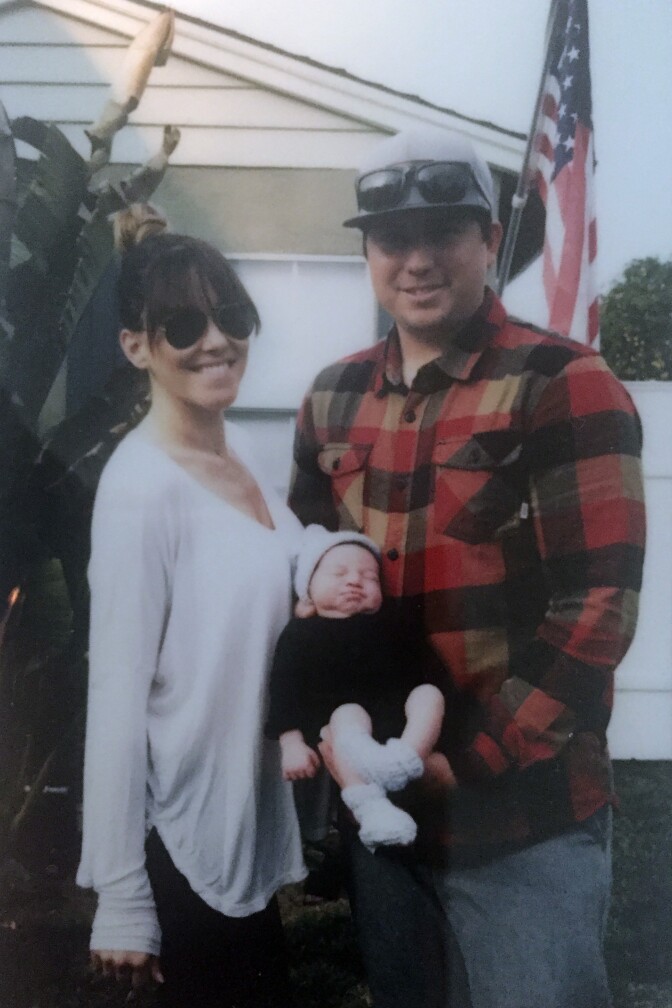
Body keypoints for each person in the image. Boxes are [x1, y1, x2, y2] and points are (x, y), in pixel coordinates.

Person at [289, 127, 646, 1008]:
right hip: (384, 818)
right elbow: (299, 586)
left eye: (443, 232)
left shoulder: (563, 380)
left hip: (523, 820)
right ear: (367, 251)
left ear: (491, 239)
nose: (415, 260)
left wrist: (476, 759)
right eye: (389, 238)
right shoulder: (331, 397)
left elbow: (598, 604)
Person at [76, 227, 306, 1008]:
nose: (216, 342)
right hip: (176, 843)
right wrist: (121, 896)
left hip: (241, 827)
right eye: (183, 326)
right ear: (136, 346)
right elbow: (114, 691)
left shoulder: (244, 454)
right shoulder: (140, 490)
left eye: (230, 316)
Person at [266, 524, 447, 848]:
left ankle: (405, 760)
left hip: (401, 721)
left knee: (429, 695)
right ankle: (369, 805)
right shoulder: (301, 634)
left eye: (370, 577)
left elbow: (423, 662)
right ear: (307, 591)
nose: (354, 580)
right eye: (339, 573)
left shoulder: (392, 620)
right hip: (345, 729)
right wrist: (291, 743)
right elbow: (284, 690)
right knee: (345, 717)